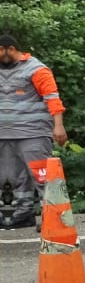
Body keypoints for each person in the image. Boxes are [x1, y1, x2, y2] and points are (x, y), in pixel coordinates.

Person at [0, 35, 68, 230]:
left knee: (43, 175)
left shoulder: (36, 69)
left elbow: (52, 98)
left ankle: (56, 217)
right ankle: (24, 213)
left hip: (33, 133)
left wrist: (58, 126)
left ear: (10, 49)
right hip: (6, 133)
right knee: (16, 177)